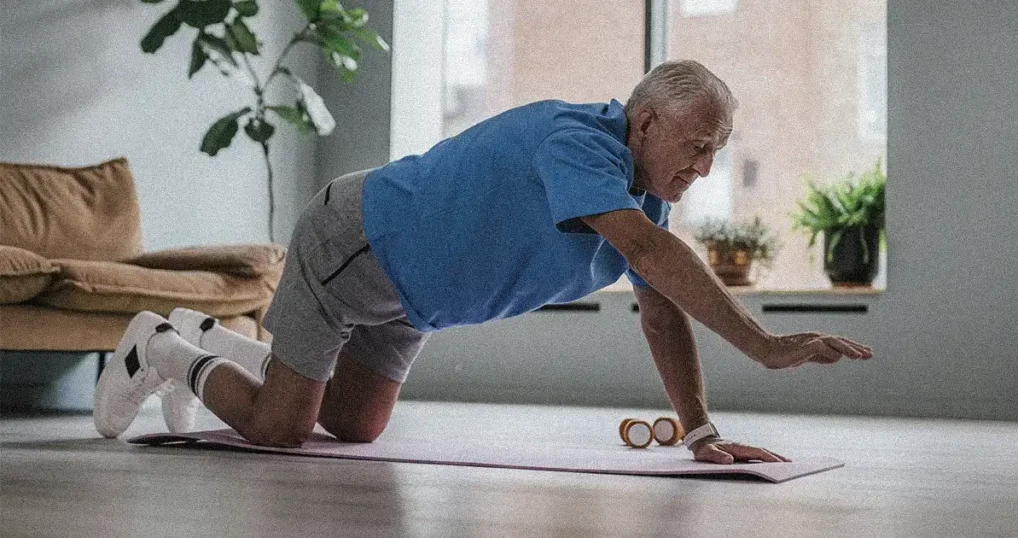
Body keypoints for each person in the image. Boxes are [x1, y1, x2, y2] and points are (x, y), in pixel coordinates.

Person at [94, 60, 873, 465]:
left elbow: (661, 309)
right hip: (356, 244)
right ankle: (159, 348)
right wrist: (766, 346)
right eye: (697, 146)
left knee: (355, 428)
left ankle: (211, 337)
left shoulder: (646, 199)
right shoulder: (581, 144)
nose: (705, 167)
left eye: (718, 152)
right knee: (278, 430)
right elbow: (647, 254)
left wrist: (700, 433)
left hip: (406, 301)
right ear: (645, 123)